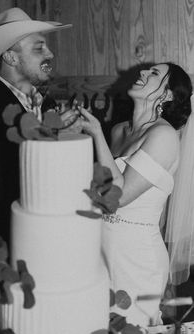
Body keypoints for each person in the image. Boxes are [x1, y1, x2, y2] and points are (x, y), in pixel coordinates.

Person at [0, 7, 71, 330]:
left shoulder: (47, 107)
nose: (50, 54)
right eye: (39, 47)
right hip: (2, 261)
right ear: (10, 56)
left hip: (48, 259)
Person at [79, 62, 192, 327]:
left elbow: (118, 198)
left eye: (154, 74)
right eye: (146, 70)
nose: (142, 73)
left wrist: (95, 133)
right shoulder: (119, 130)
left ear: (167, 95)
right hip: (102, 246)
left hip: (137, 255)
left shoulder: (164, 135)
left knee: (133, 326)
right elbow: (100, 188)